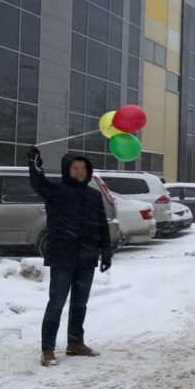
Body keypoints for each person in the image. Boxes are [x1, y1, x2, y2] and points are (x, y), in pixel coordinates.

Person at [27, 146, 112, 367]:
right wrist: (35, 165)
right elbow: (38, 183)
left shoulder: (94, 195)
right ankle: (48, 349)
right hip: (62, 257)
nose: (80, 171)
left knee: (80, 303)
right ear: (67, 169)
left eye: (83, 167)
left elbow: (102, 224)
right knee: (56, 302)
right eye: (75, 167)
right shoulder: (56, 191)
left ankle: (75, 342)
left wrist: (107, 251)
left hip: (87, 257)